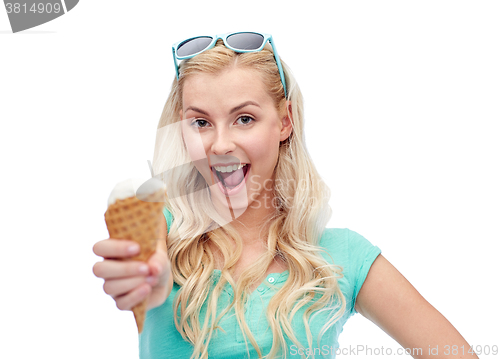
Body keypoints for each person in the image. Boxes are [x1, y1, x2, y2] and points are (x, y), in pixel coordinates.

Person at [93, 32, 479, 359]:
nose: (220, 144)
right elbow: (149, 269)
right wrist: (149, 277)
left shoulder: (343, 256)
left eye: (244, 119)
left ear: (284, 122)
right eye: (201, 123)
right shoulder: (161, 229)